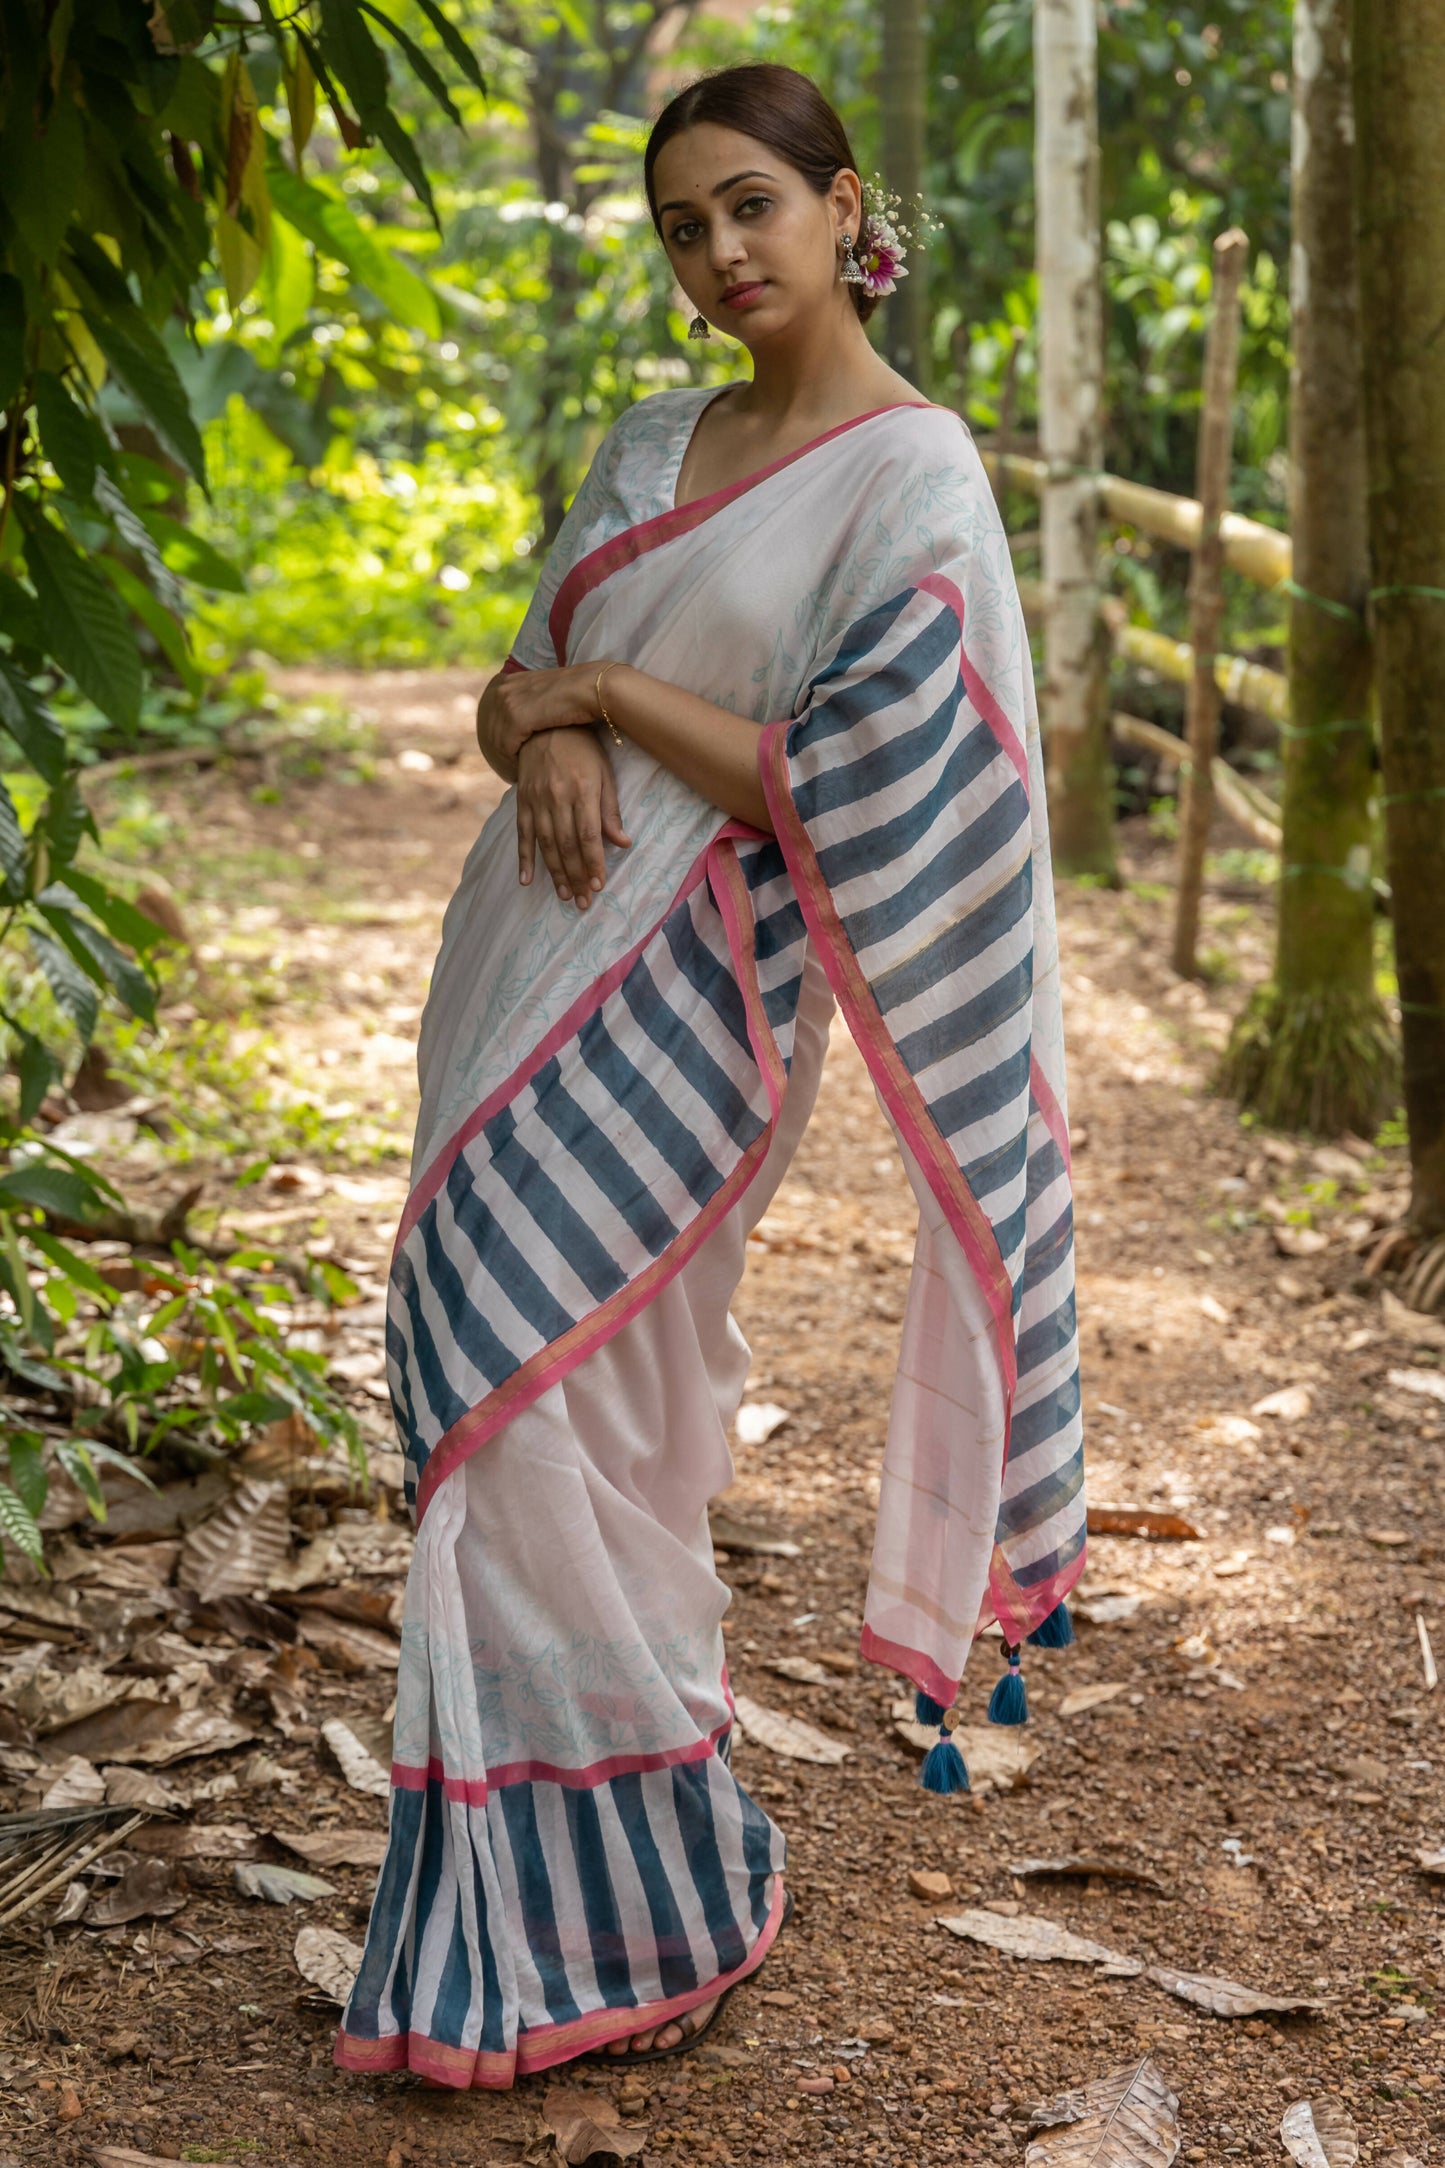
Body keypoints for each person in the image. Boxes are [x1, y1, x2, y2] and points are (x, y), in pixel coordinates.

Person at [334, 61, 1084, 2093]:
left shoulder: (915, 483)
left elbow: (833, 783)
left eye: (754, 205)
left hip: (689, 1018)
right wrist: (543, 720)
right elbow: (516, 678)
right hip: (508, 980)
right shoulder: (647, 440)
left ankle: (632, 1888)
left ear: (849, 210)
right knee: (466, 1386)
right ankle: (526, 1891)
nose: (722, 252)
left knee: (574, 1404)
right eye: (684, 225)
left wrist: (604, 692)